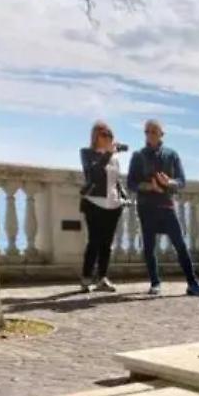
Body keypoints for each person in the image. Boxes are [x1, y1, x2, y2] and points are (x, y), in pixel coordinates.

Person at [126, 119, 199, 297]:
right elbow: (131, 183)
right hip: (146, 207)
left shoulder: (172, 155)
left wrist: (168, 182)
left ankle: (192, 284)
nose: (150, 135)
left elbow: (182, 181)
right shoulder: (138, 156)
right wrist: (149, 187)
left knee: (180, 245)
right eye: (147, 131)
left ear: (161, 134)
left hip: (166, 206)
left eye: (154, 131)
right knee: (149, 247)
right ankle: (155, 283)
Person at [78, 120, 126, 292]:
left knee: (107, 244)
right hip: (94, 203)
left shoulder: (114, 157)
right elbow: (94, 174)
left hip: (113, 205)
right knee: (94, 242)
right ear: (95, 136)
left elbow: (116, 180)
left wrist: (123, 196)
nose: (108, 138)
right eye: (104, 134)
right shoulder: (87, 153)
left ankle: (102, 277)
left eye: (110, 135)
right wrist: (107, 154)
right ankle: (86, 278)